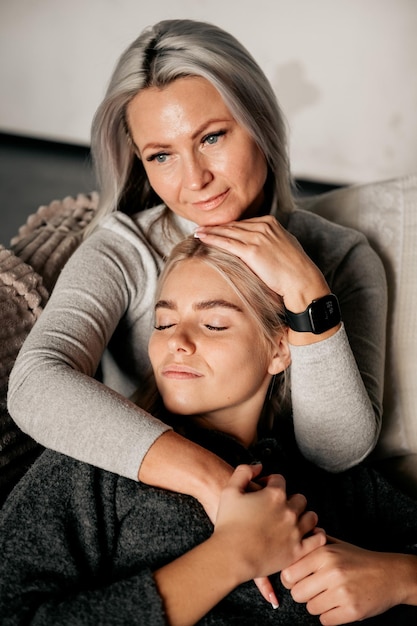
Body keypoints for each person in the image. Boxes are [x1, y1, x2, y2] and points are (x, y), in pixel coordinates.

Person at [8, 19, 386, 528]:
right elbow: (35, 383)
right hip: (139, 511)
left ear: (261, 124)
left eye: (211, 137)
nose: (194, 179)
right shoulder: (125, 249)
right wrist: (214, 482)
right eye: (161, 155)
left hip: (293, 516)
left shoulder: (339, 255)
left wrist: (305, 289)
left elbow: (337, 453)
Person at [0, 237, 416, 626]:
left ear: (278, 349)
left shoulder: (328, 477)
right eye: (162, 324)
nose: (176, 341)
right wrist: (228, 558)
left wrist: (400, 577)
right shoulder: (94, 459)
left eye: (214, 324)